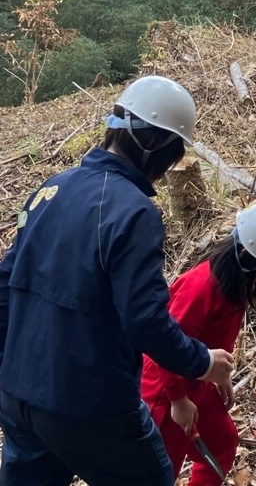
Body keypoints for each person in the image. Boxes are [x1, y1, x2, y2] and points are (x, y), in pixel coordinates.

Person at [0, 76, 235, 486]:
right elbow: (145, 320)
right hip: (89, 403)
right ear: (160, 147)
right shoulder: (134, 211)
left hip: (18, 393)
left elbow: (6, 286)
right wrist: (202, 362)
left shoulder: (52, 188)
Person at [142, 201, 256, 486]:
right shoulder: (201, 287)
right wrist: (178, 400)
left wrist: (221, 372)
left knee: (222, 443)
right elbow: (165, 344)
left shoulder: (235, 287)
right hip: (167, 389)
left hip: (198, 379)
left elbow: (218, 337)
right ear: (247, 257)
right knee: (160, 471)